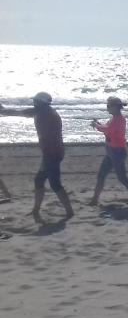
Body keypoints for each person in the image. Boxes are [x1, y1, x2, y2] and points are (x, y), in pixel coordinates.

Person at [0, 92, 74, 222]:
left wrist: (3, 110)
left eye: (35, 101)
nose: (34, 103)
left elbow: (22, 112)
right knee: (39, 180)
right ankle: (36, 210)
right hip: (53, 152)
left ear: (41, 103)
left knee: (55, 184)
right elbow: (24, 112)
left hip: (52, 153)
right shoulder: (46, 111)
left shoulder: (45, 113)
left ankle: (69, 211)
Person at [88, 96, 128, 207]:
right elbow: (107, 130)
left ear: (115, 107)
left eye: (109, 105)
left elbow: (108, 130)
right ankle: (94, 200)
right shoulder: (114, 119)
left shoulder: (119, 119)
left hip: (117, 152)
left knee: (122, 178)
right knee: (101, 176)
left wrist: (97, 125)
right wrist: (99, 124)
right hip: (110, 151)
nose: (107, 107)